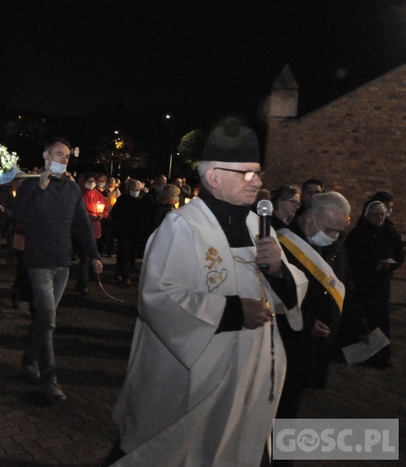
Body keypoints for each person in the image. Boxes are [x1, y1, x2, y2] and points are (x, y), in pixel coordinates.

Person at [106, 116, 307, 466]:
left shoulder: (257, 224)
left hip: (248, 371)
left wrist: (277, 269)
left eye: (258, 172)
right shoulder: (182, 227)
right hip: (193, 377)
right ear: (213, 176)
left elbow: (288, 291)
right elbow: (158, 297)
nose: (258, 181)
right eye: (247, 173)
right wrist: (232, 312)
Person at [13, 138, 103, 404]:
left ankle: (29, 361)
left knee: (43, 319)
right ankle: (50, 379)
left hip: (63, 263)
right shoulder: (31, 184)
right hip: (38, 261)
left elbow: (83, 223)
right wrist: (39, 189)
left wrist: (94, 254)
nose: (64, 160)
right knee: (49, 320)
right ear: (45, 155)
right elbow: (18, 217)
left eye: (66, 156)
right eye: (59, 155)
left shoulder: (72, 189)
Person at [274, 192, 353, 422]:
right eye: (329, 229)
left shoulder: (336, 247)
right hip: (287, 343)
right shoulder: (280, 245)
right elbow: (273, 297)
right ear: (309, 218)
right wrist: (307, 323)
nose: (334, 236)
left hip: (316, 347)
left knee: (294, 405)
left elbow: (345, 286)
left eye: (339, 231)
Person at [345, 198, 404, 368]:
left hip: (381, 285)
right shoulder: (359, 234)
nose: (379, 218)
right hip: (364, 285)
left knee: (381, 321)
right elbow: (353, 259)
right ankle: (364, 356)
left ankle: (380, 356)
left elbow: (399, 252)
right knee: (365, 321)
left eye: (382, 215)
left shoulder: (389, 231)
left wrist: (393, 263)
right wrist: (374, 264)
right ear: (366, 215)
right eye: (375, 215)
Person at [110, 179, 145, 286]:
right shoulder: (122, 200)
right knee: (124, 253)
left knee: (130, 253)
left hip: (134, 232)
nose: (136, 191)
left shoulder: (140, 201)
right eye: (134, 189)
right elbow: (115, 214)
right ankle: (125, 275)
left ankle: (121, 273)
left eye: (138, 189)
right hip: (123, 231)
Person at [78, 174, 108, 296]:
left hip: (96, 229)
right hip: (84, 229)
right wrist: (88, 216)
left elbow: (105, 208)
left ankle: (88, 279)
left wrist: (102, 215)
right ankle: (84, 284)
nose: (91, 183)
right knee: (84, 258)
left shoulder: (99, 195)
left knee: (93, 256)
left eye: (92, 181)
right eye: (89, 181)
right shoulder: (80, 195)